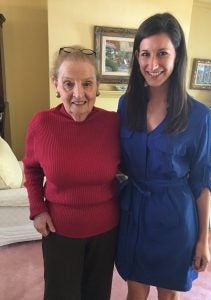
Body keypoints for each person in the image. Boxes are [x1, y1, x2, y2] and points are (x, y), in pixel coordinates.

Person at [115, 12, 211, 300]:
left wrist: (203, 241)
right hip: (134, 212)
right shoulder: (126, 104)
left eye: (162, 53)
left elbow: (201, 181)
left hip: (174, 217)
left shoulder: (200, 116)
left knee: (167, 294)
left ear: (177, 55)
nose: (153, 64)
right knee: (135, 289)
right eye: (145, 54)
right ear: (136, 57)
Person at [23, 45, 120, 300]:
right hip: (58, 231)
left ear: (97, 86)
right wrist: (37, 209)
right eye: (68, 84)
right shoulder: (41, 124)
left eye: (87, 84)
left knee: (97, 294)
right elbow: (31, 168)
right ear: (56, 85)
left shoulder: (113, 124)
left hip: (105, 232)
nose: (79, 94)